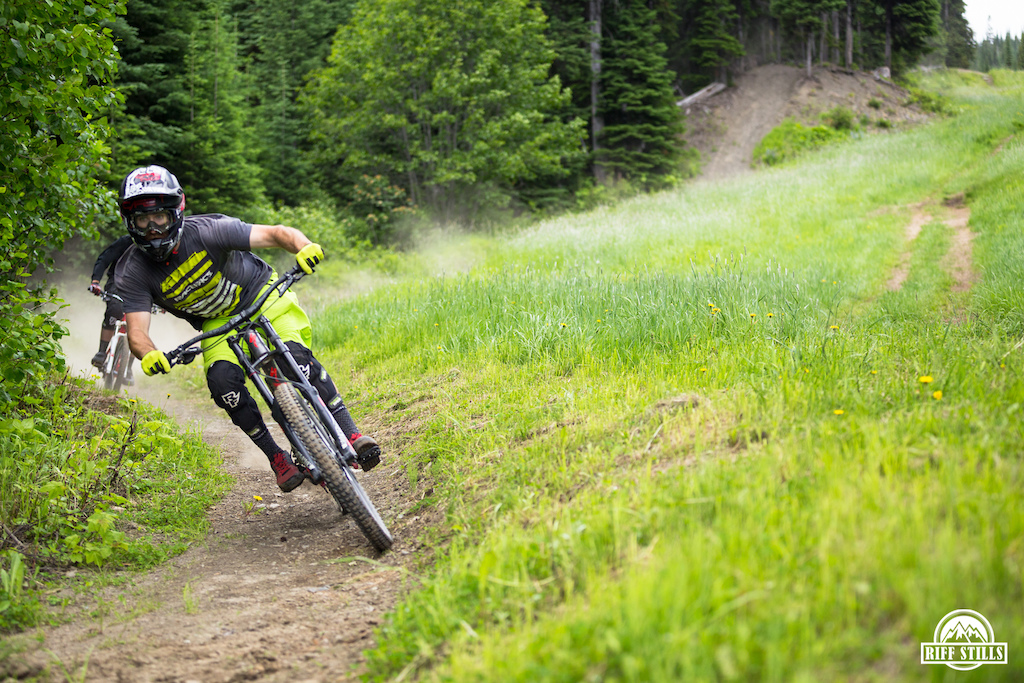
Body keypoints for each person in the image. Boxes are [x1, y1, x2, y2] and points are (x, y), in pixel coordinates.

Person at [113, 165, 381, 492]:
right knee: (223, 383)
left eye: (160, 218)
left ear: (176, 213)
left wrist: (304, 246)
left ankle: (350, 432)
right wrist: (150, 354)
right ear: (130, 222)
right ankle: (276, 458)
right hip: (216, 324)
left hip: (260, 294)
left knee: (294, 361)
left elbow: (276, 233)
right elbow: (137, 331)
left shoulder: (210, 231)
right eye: (143, 220)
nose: (153, 228)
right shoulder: (133, 271)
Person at [88, 235, 134, 369]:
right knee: (114, 309)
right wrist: (95, 282)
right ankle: (102, 352)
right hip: (118, 282)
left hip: (142, 287)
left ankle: (129, 367)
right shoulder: (126, 241)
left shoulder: (158, 247)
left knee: (140, 324)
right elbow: (104, 259)